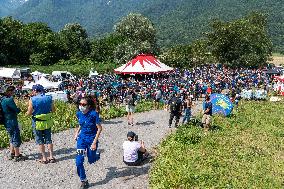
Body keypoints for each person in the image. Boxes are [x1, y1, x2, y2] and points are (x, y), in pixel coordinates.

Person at [74, 96, 102, 189]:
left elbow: (99, 128)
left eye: (83, 104)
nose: (81, 106)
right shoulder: (79, 113)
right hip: (81, 140)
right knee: (79, 161)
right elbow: (81, 124)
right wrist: (76, 133)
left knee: (91, 160)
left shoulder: (94, 114)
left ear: (89, 106)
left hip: (91, 140)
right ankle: (84, 180)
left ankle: (96, 156)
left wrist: (94, 142)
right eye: (80, 104)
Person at [26, 84, 56, 164]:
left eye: (33, 90)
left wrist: (26, 114)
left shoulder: (32, 99)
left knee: (40, 140)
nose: (32, 92)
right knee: (48, 139)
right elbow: (53, 110)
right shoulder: (49, 98)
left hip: (37, 122)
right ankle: (51, 156)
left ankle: (44, 158)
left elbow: (29, 113)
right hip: (47, 121)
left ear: (35, 90)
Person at [1, 86, 27, 161]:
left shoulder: (2, 99)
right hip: (12, 120)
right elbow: (16, 110)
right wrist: (19, 109)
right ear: (8, 91)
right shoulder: (9, 100)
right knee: (15, 136)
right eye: (12, 91)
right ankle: (17, 155)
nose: (13, 92)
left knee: (11, 136)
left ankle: (12, 153)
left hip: (6, 120)